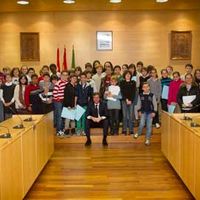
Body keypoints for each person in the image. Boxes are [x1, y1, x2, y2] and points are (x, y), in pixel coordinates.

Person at [53, 70, 69, 136]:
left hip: (64, 102)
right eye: (63, 75)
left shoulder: (67, 83)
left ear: (67, 76)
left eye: (66, 75)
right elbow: (54, 93)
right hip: (58, 102)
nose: (65, 76)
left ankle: (62, 130)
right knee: (59, 116)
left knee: (63, 116)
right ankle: (58, 130)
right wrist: (58, 99)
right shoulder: (58, 83)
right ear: (61, 76)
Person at [120, 70, 136, 135]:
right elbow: (122, 92)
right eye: (127, 74)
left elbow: (134, 92)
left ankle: (131, 130)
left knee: (131, 116)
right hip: (124, 101)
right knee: (124, 116)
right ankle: (124, 130)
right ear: (124, 75)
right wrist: (126, 99)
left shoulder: (133, 82)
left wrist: (130, 100)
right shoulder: (122, 82)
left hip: (131, 101)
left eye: (129, 74)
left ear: (131, 75)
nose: (128, 75)